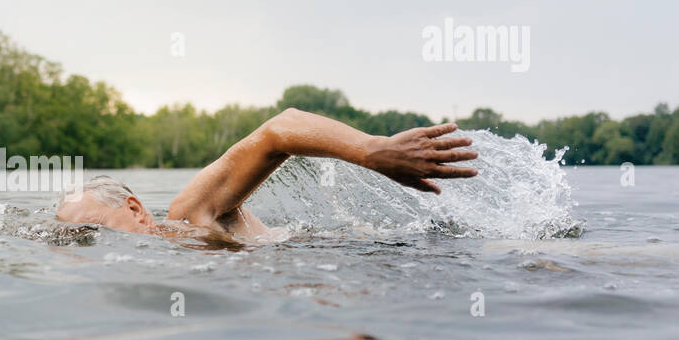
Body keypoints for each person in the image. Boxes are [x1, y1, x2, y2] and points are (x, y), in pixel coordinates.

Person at [54, 107, 478, 240]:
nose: (94, 247)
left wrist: (372, 150)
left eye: (95, 231)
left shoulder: (189, 214)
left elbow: (281, 129)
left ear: (135, 209)